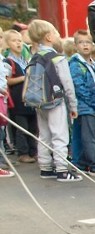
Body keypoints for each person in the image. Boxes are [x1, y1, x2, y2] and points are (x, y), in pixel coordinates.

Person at [26, 20, 81, 183]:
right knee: (60, 134)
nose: (58, 35)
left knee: (44, 134)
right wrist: (73, 105)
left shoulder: (34, 57)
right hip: (55, 101)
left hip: (39, 101)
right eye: (56, 32)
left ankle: (45, 167)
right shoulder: (57, 58)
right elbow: (67, 84)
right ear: (49, 37)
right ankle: (62, 170)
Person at [69, 29, 95, 176]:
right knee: (90, 138)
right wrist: (94, 103)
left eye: (88, 42)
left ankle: (88, 162)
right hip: (87, 107)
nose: (85, 45)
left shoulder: (93, 64)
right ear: (75, 45)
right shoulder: (75, 64)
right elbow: (79, 87)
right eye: (81, 42)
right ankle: (94, 165)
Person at [3, 29, 37, 164]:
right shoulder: (8, 61)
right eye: (14, 40)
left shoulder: (25, 59)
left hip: (29, 98)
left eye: (19, 40)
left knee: (33, 127)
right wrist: (24, 78)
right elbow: (7, 80)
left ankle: (33, 151)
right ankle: (22, 152)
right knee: (22, 127)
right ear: (7, 43)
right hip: (17, 100)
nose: (18, 43)